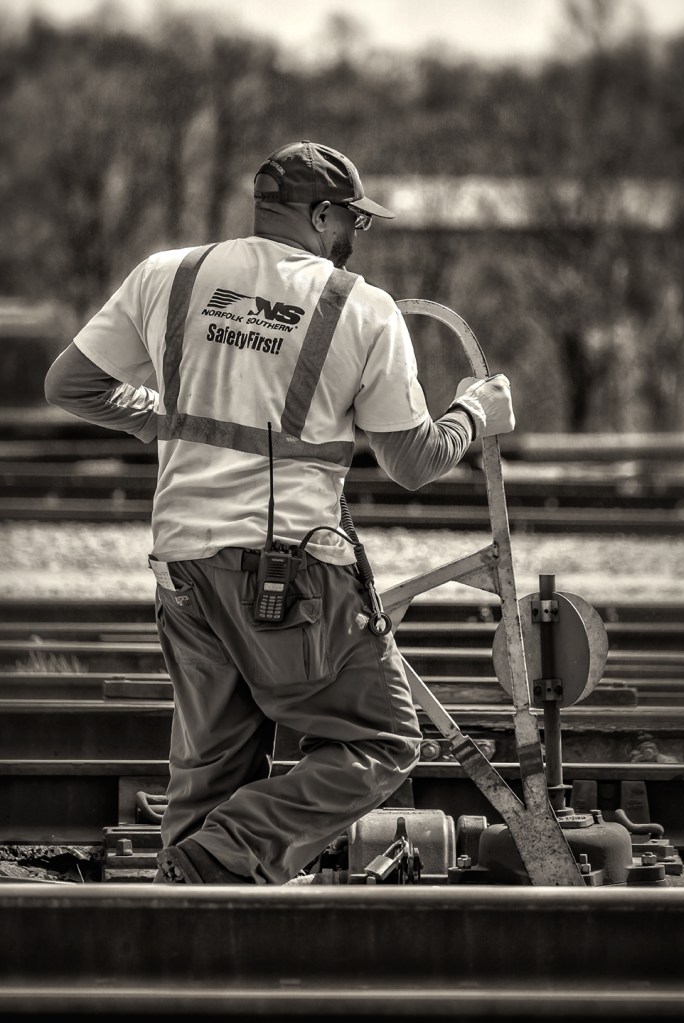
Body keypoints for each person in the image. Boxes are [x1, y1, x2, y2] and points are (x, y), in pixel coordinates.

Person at [44, 140, 515, 885]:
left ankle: (188, 906)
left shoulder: (169, 274)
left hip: (182, 566)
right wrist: (475, 413)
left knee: (211, 767)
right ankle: (221, 855)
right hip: (290, 573)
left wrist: (168, 421)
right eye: (352, 220)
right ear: (321, 214)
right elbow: (413, 460)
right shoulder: (360, 307)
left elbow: (71, 385)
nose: (354, 235)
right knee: (383, 740)